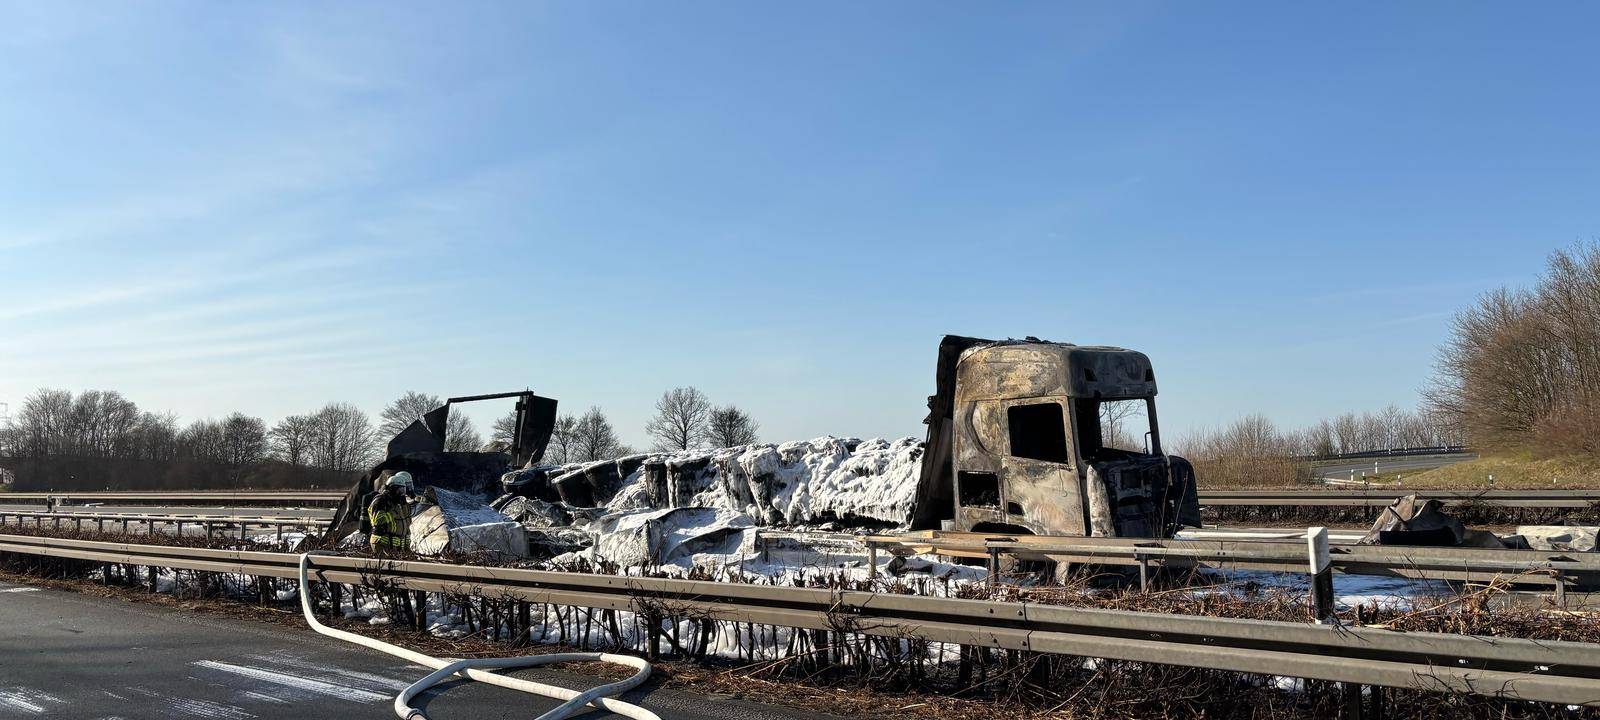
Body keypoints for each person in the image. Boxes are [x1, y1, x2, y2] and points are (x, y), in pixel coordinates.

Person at [368, 471, 416, 554]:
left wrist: (406, 546)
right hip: (383, 543)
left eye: (403, 490)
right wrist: (393, 513)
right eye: (400, 490)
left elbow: (405, 525)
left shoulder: (401, 503)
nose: (402, 493)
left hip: (397, 545)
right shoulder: (381, 501)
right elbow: (377, 521)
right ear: (392, 488)